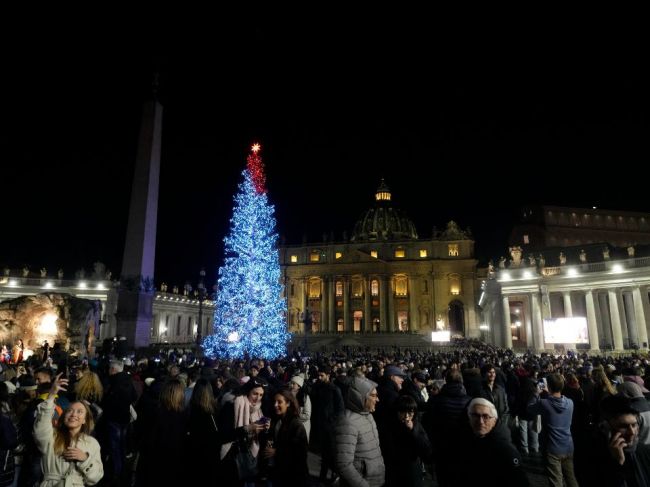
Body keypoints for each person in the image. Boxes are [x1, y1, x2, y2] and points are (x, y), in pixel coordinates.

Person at [33, 373, 103, 486]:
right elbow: (41, 425)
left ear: (85, 420)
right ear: (64, 416)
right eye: (69, 411)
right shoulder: (51, 436)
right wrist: (51, 395)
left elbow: (95, 478)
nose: (73, 414)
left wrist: (85, 459)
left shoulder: (92, 443)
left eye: (79, 412)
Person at [455, 398, 528, 487]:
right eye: (475, 416)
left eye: (486, 417)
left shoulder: (506, 449)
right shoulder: (464, 440)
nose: (480, 422)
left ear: (494, 421)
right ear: (468, 418)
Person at [528, 373, 579, 487]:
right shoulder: (570, 403)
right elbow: (555, 404)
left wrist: (537, 393)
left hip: (552, 447)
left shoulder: (544, 403)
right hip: (568, 445)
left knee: (556, 482)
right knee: (571, 478)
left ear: (549, 386)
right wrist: (549, 393)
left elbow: (530, 408)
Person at [334, 376, 385, 487]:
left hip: (376, 481)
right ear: (360, 397)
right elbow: (344, 464)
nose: (377, 399)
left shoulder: (368, 415)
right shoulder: (347, 422)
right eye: (373, 396)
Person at [381, 395, 431, 487]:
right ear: (397, 412)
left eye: (410, 412)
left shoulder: (416, 425)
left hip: (413, 473)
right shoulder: (388, 427)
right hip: (394, 474)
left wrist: (413, 431)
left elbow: (427, 452)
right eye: (403, 412)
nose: (407, 416)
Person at [263, 388, 309, 487]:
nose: (275, 405)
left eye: (279, 402)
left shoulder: (296, 425)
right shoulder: (276, 419)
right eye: (274, 402)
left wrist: (277, 451)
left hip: (292, 476)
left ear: (288, 403)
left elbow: (301, 452)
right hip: (278, 472)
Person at [289, 375, 312, 442]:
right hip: (291, 426)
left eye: (293, 383)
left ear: (299, 386)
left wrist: (295, 416)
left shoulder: (305, 397)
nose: (291, 385)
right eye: (291, 383)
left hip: (302, 426)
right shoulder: (288, 395)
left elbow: (307, 415)